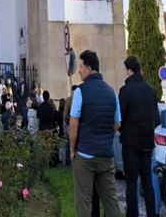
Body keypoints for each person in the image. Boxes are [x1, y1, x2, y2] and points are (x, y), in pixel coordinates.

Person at [68, 49, 121, 217]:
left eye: (81, 66)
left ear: (89, 69)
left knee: (84, 201)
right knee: (110, 200)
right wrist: (105, 136)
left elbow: (74, 123)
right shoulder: (112, 92)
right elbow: (117, 123)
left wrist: (71, 149)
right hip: (106, 154)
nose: (79, 70)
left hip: (85, 154)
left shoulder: (80, 92)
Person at [119, 55, 160, 217]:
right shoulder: (150, 89)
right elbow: (157, 118)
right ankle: (152, 213)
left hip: (130, 143)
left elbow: (120, 118)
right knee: (147, 181)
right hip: (147, 142)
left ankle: (133, 214)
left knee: (131, 184)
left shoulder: (126, 90)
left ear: (129, 70)